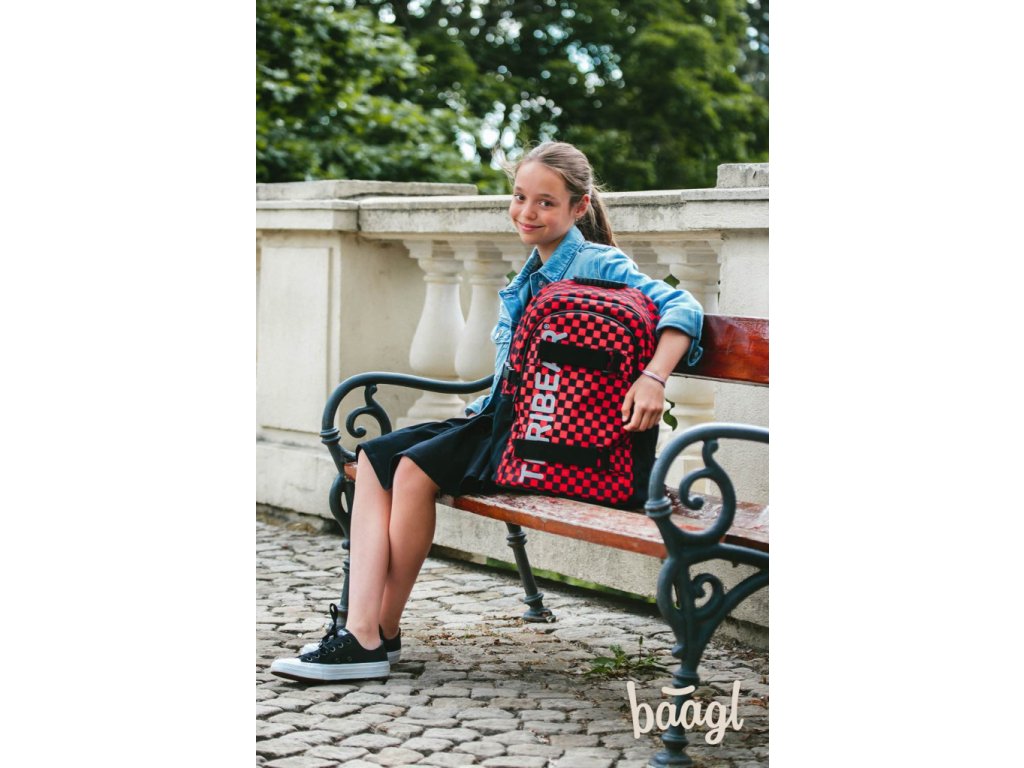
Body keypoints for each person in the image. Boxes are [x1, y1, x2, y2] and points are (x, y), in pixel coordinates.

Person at [270, 141, 704, 683]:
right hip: (501, 416)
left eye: (545, 203)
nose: (527, 212)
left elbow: (683, 305)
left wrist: (653, 376)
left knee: (412, 470)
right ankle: (369, 632)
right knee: (375, 458)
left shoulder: (596, 261)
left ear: (579, 207)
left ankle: (368, 636)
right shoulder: (535, 266)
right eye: (520, 197)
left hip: (539, 435)